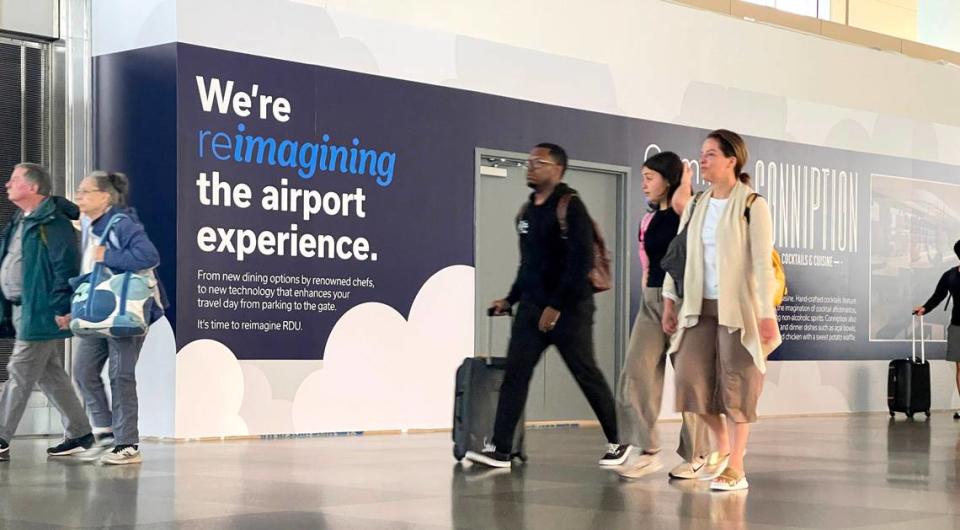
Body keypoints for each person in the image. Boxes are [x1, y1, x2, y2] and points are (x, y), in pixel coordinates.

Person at [465, 143, 630, 468]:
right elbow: (527, 266)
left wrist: (555, 306)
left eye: (538, 162)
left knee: (586, 373)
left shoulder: (571, 206)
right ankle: (500, 449)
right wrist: (509, 300)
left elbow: (580, 261)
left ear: (557, 170)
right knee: (516, 374)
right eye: (529, 162)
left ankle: (618, 440)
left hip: (570, 309)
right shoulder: (526, 212)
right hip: (531, 310)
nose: (530, 167)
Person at [662, 130, 781, 491]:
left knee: (737, 385)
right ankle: (723, 449)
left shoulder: (752, 205)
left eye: (711, 154)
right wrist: (670, 300)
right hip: (698, 304)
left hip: (738, 309)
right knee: (690, 380)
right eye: (702, 153)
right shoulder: (697, 204)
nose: (703, 160)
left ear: (732, 159)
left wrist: (765, 314)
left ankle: (737, 467)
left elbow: (762, 264)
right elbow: (678, 257)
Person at [618, 152, 710, 480]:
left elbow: (687, 206)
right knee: (636, 371)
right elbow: (647, 264)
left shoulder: (686, 211)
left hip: (684, 299)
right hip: (651, 300)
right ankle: (647, 447)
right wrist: (646, 297)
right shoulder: (649, 220)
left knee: (689, 379)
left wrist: (684, 183)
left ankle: (697, 453)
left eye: (650, 177)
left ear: (667, 180)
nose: (643, 184)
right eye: (642, 176)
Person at [0, 163, 94, 461]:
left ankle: (1, 437)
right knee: (49, 374)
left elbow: (65, 268)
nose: (7, 184)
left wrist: (63, 307)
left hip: (41, 310)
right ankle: (80, 433)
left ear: (33, 187)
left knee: (20, 370)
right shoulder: (22, 219)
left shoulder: (53, 224)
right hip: (21, 309)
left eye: (14, 180)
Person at [71, 171, 162, 465]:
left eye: (85, 192)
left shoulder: (123, 223)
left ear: (105, 197)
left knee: (120, 375)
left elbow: (148, 256)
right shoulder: (90, 225)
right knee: (83, 370)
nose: (79, 197)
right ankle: (107, 434)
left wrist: (106, 255)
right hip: (99, 311)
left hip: (125, 311)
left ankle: (127, 444)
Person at [913, 239, 960, 420]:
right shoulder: (951, 276)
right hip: (957, 326)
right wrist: (925, 308)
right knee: (959, 367)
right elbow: (939, 295)